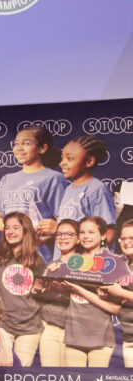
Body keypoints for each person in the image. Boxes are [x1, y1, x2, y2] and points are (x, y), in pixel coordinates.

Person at [0, 126, 68, 262]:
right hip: (9, 256)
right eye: (16, 143)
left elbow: (63, 222)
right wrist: (18, 232)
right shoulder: (7, 179)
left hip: (41, 257)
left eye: (26, 143)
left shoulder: (53, 178)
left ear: (42, 148)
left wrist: (44, 235)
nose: (19, 148)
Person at [0, 212, 46, 366]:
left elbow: (41, 294)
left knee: (19, 376)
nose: (10, 232)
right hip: (3, 325)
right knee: (0, 373)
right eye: (7, 228)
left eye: (16, 228)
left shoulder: (38, 260)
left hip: (30, 327)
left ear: (26, 231)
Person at [63, 216, 120, 367]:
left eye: (91, 232)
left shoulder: (113, 264)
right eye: (82, 232)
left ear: (102, 235)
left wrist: (79, 289)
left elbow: (116, 309)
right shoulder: (71, 262)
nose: (86, 236)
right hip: (73, 337)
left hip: (101, 338)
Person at [32, 219, 79, 366]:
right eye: (59, 234)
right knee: (50, 378)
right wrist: (37, 291)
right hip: (49, 328)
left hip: (75, 330)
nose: (63, 238)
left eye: (68, 234)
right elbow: (39, 298)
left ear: (78, 238)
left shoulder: (87, 267)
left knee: (73, 380)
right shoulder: (48, 267)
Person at [58, 135, 116, 244]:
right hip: (64, 258)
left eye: (69, 159)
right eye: (62, 158)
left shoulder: (97, 189)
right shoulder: (69, 189)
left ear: (89, 161)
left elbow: (109, 233)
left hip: (83, 259)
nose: (62, 163)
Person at [100, 220, 133, 366]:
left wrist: (120, 292)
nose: (126, 242)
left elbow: (121, 293)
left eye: (131, 238)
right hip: (128, 338)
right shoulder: (120, 266)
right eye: (123, 238)